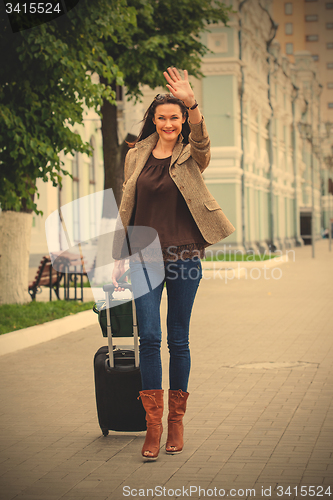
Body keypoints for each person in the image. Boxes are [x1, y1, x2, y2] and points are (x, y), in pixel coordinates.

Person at [112, 67, 235, 461]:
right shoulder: (136, 155)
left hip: (184, 252)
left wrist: (191, 101)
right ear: (154, 120)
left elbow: (203, 141)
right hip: (143, 255)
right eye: (162, 117)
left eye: (175, 117)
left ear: (182, 121)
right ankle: (153, 427)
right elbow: (127, 207)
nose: (169, 123)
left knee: (177, 338)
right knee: (149, 337)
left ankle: (177, 424)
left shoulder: (191, 153)